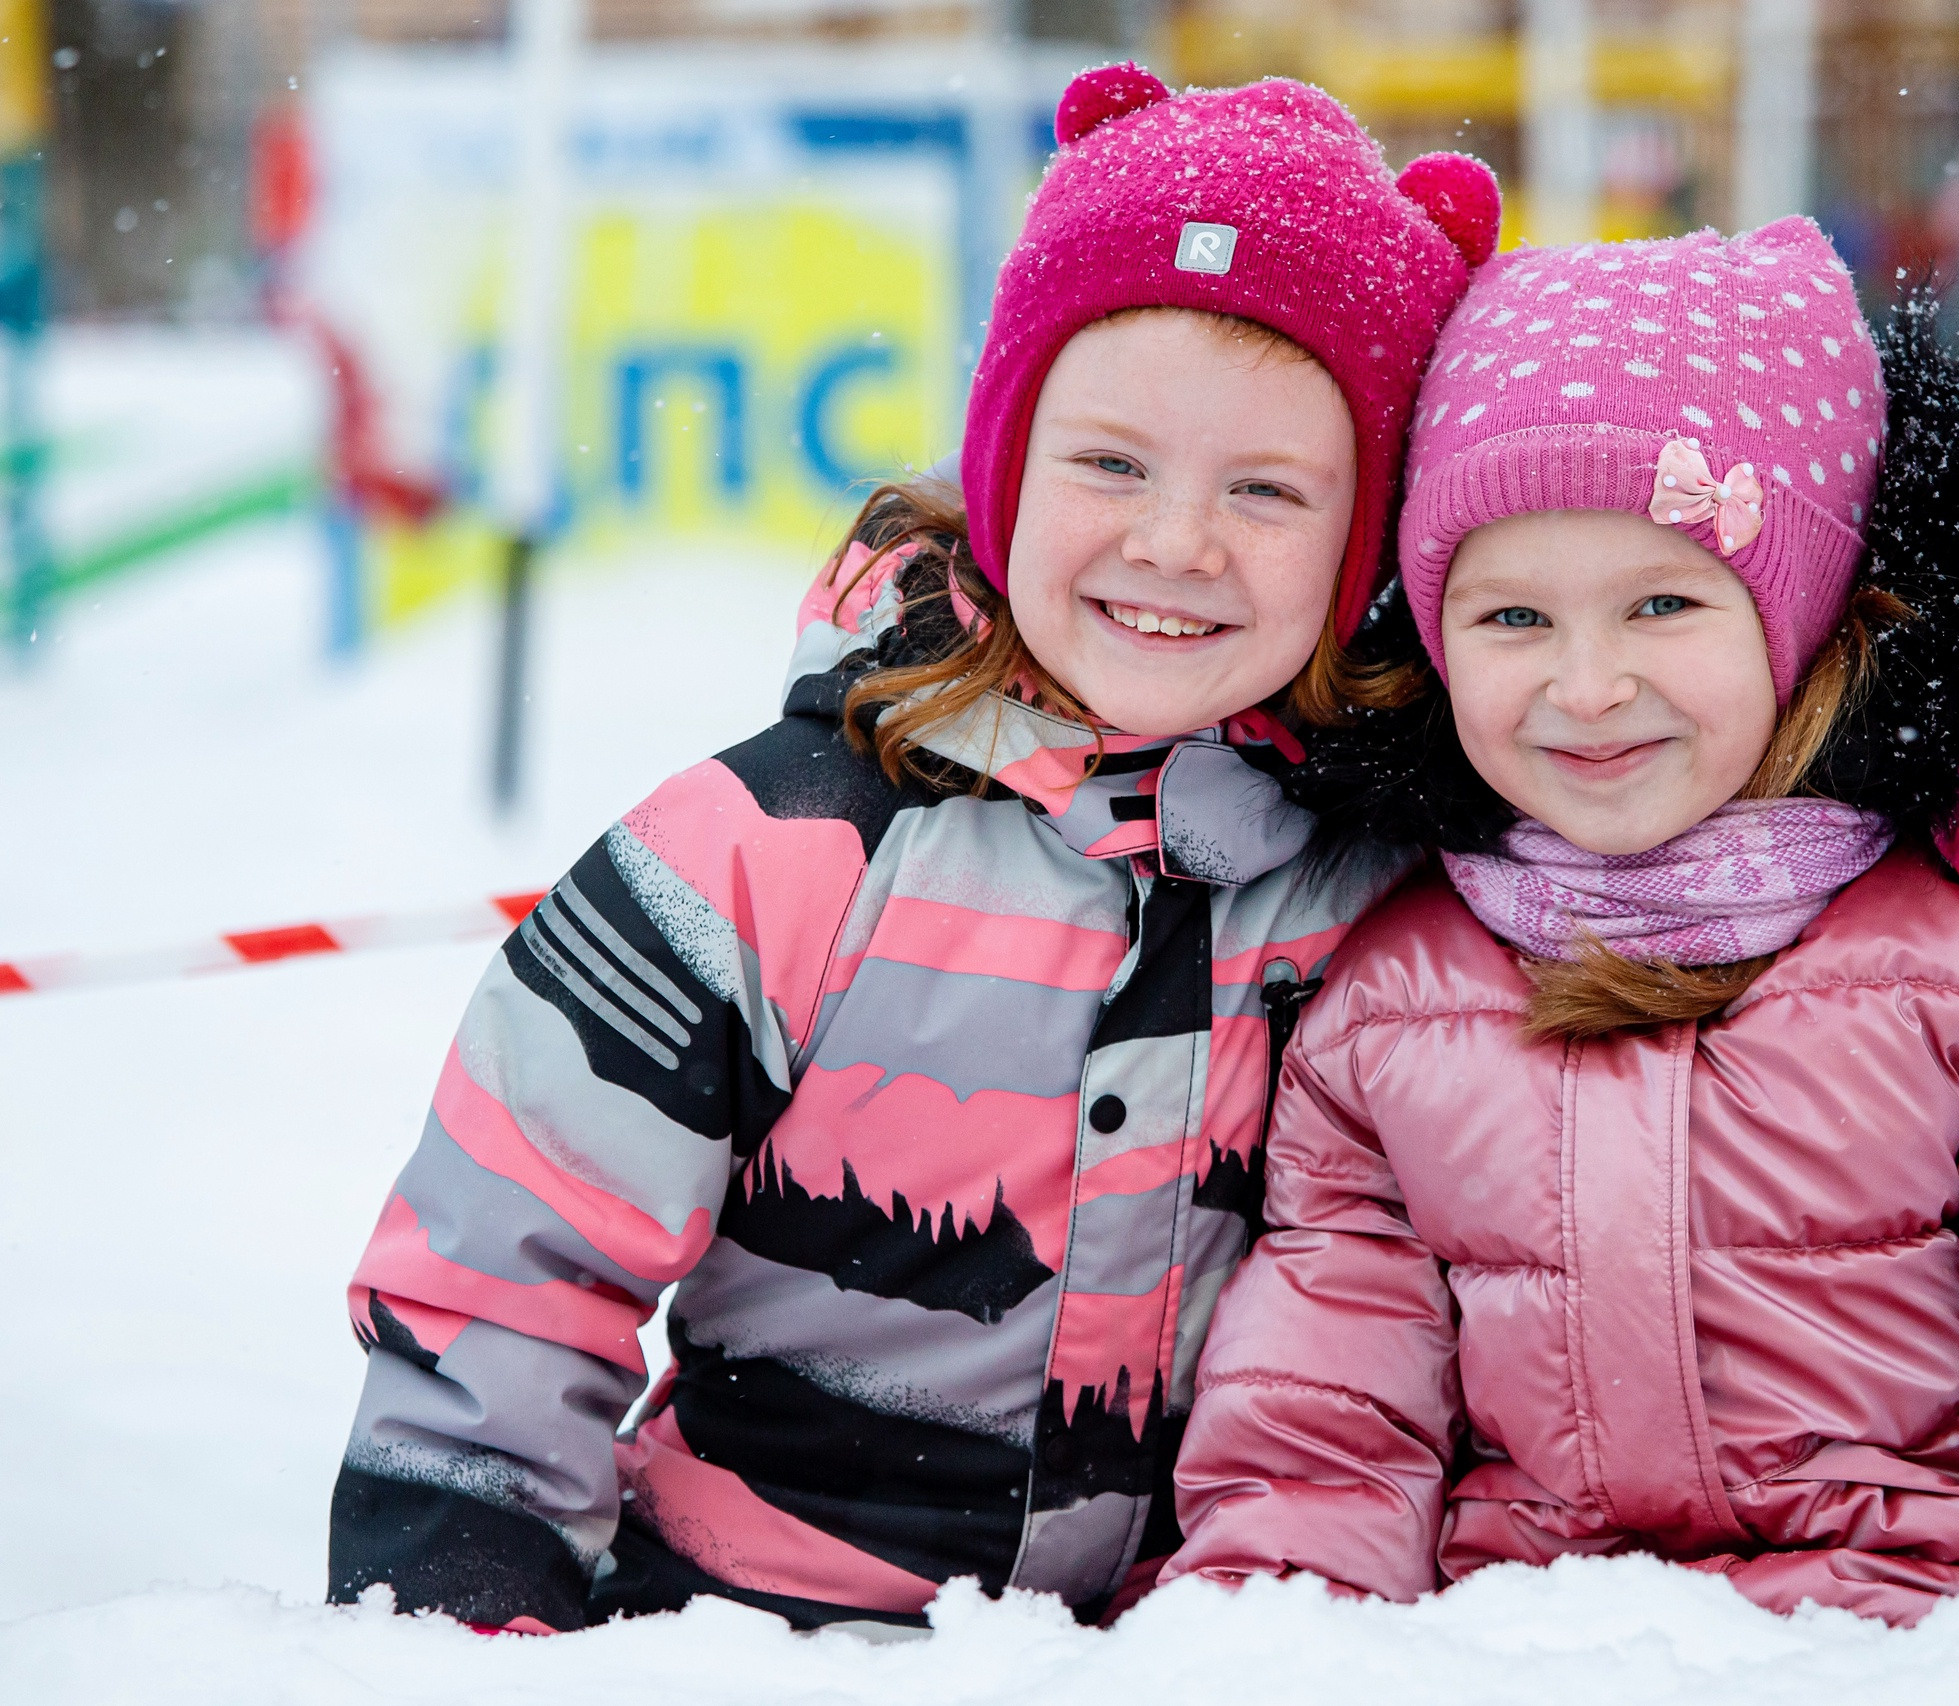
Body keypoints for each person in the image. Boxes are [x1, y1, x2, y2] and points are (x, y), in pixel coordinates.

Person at [326, 64, 1501, 1633]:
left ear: (1365, 536)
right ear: (1006, 461)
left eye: (1270, 490)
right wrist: (463, 1605)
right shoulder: (781, 845)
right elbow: (513, 1262)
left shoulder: (1388, 890)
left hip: (1183, 1653)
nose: (1175, 542)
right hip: (742, 1635)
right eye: (1110, 463)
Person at [1162, 218, 1959, 1627]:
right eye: (1512, 620)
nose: (1589, 684)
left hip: (1926, 1637)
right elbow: (1326, 1434)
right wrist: (1260, 1642)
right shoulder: (1389, 1009)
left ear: (1799, 620)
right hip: (1537, 1643)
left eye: (1663, 602)